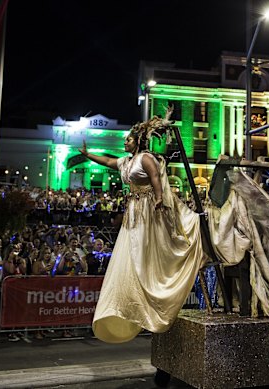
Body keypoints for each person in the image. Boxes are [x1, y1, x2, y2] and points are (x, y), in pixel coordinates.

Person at [78, 109, 205, 343]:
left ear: (138, 141)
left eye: (128, 139)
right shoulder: (126, 162)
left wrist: (158, 198)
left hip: (148, 210)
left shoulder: (145, 158)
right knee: (130, 254)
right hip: (133, 213)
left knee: (145, 252)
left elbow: (156, 178)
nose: (124, 142)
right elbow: (106, 161)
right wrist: (88, 155)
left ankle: (155, 292)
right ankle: (131, 303)